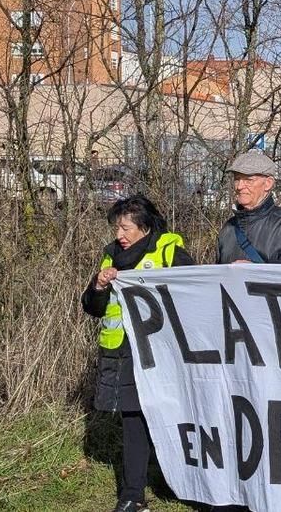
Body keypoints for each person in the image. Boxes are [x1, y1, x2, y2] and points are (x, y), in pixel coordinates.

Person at [81, 195, 196, 512]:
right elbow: (93, 307)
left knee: (173, 419)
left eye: (126, 227)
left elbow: (195, 296)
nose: (119, 234)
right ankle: (132, 495)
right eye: (117, 227)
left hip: (164, 357)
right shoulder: (111, 256)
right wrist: (99, 287)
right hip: (124, 356)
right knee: (133, 422)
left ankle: (184, 485)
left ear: (145, 227)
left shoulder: (170, 253)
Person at [216, 150, 281, 264]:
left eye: (248, 180)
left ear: (268, 184)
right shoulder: (228, 229)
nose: (239, 186)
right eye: (237, 179)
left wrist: (256, 274)